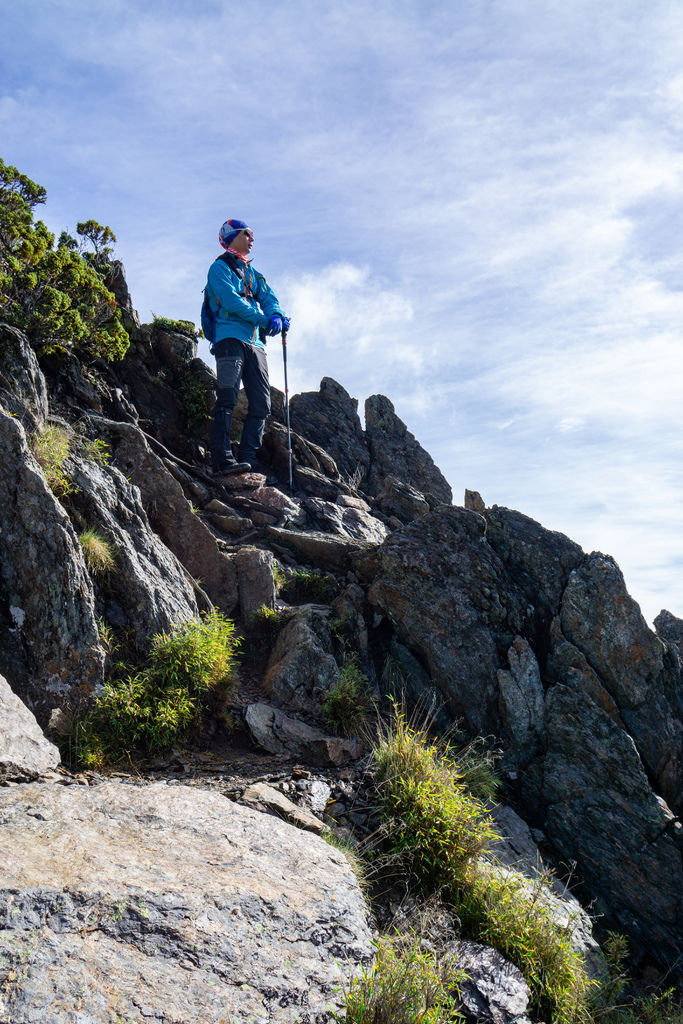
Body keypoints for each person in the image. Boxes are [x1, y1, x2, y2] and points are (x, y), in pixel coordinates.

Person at [206, 218, 290, 480]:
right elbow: (230, 302)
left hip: (256, 344)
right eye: (247, 233)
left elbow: (268, 297)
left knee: (262, 405)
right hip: (229, 338)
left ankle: (248, 459)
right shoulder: (219, 268)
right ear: (232, 236)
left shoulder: (252, 273)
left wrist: (277, 314)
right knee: (228, 398)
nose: (252, 238)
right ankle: (222, 460)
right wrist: (265, 320)